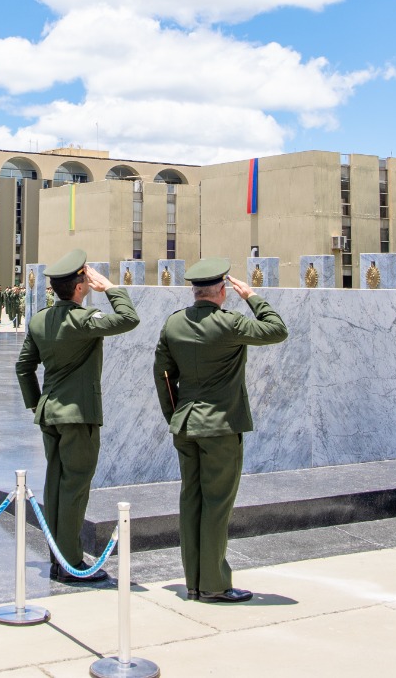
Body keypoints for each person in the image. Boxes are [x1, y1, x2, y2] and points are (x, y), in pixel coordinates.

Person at [154, 257, 288, 603]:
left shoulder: (173, 324)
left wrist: (176, 414)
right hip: (220, 427)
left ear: (196, 292)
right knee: (216, 506)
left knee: (191, 502)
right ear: (222, 292)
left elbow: (163, 376)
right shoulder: (230, 324)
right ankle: (213, 584)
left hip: (185, 424)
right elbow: (277, 329)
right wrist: (253, 297)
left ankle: (194, 582)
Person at [14, 248, 139, 584]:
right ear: (81, 287)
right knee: (74, 489)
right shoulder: (82, 320)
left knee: (54, 486)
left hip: (50, 415)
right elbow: (129, 319)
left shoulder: (40, 319)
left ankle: (58, 557)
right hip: (78, 416)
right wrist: (111, 287)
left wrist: (37, 404)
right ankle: (70, 562)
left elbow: (23, 367)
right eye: (86, 279)